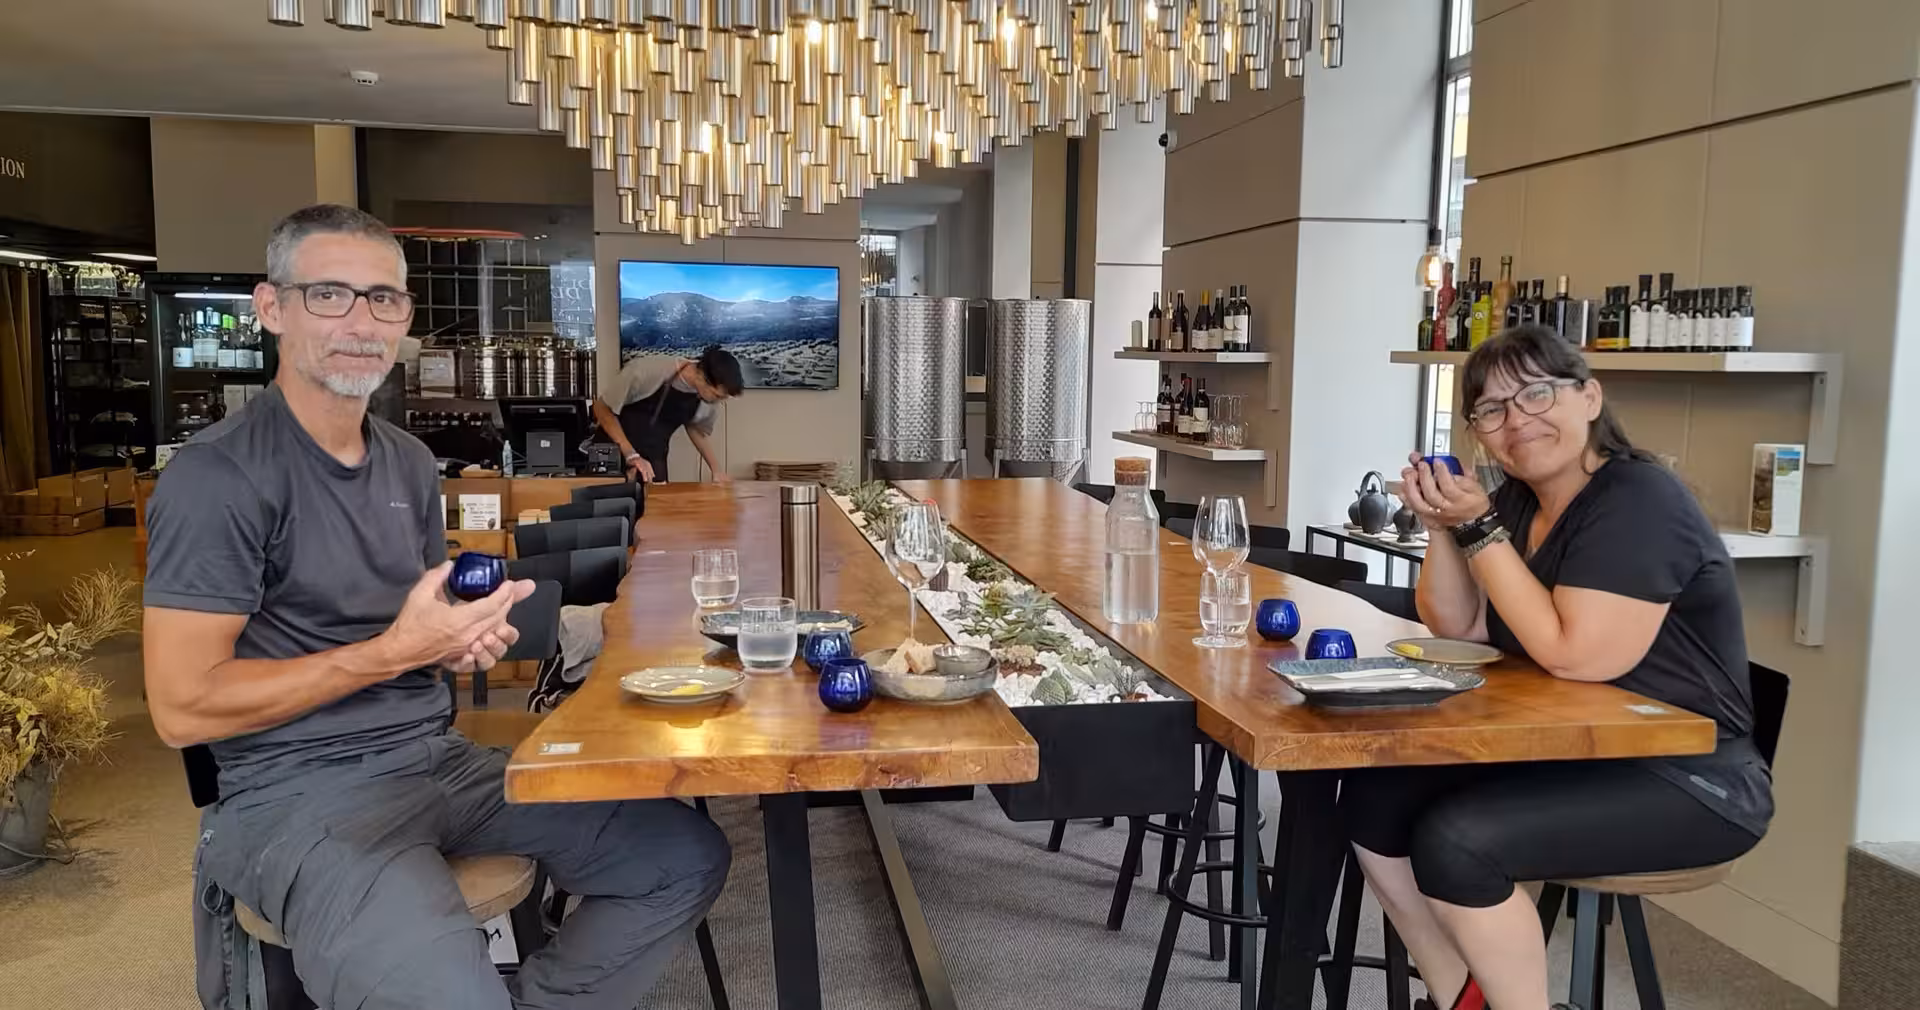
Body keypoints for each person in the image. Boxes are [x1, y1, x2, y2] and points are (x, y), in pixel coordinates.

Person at [143, 204, 730, 1010]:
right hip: (297, 794)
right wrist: (395, 652)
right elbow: (181, 709)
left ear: (406, 318)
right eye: (329, 295)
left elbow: (418, 612)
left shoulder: (410, 463)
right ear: (271, 307)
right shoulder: (218, 477)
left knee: (684, 856)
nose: (361, 321)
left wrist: (458, 638)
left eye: (384, 299)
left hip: (435, 760)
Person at [1343, 325, 1771, 1010]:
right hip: (1576, 751)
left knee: (1458, 844)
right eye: (1492, 409)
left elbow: (1577, 655)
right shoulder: (1517, 500)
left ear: (1590, 397)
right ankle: (1465, 1002)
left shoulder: (1639, 500)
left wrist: (1480, 530)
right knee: (1374, 801)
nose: (1518, 421)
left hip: (1692, 776)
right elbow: (1459, 624)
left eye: (1536, 394)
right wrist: (1442, 526)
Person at [591, 346, 743, 484]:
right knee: (608, 509)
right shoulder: (645, 371)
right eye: (717, 396)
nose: (720, 402)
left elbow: (695, 427)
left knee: (656, 510)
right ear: (701, 377)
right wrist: (631, 455)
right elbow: (601, 408)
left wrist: (717, 470)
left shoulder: (708, 400)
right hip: (609, 454)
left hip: (654, 459)